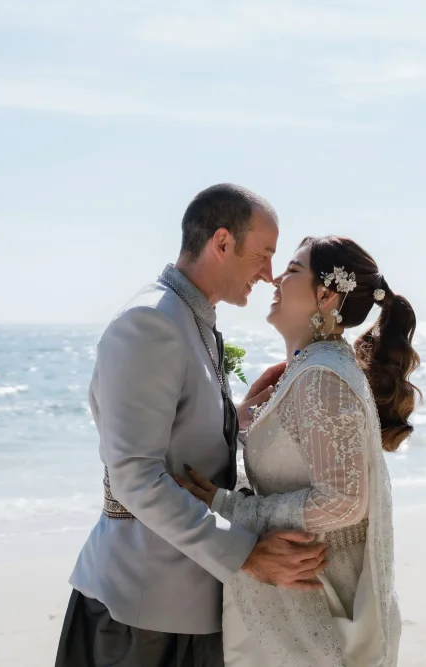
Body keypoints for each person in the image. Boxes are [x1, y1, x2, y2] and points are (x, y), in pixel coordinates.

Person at [56, 185, 330, 667]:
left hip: (189, 604)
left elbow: (179, 443)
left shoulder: (191, 318)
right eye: (264, 255)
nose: (269, 275)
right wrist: (246, 554)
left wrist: (237, 417)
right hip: (138, 612)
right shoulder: (149, 323)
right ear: (222, 243)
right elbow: (135, 475)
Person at [178, 236, 418, 666]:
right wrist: (240, 419)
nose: (273, 278)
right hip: (296, 590)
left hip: (315, 595)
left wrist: (230, 507)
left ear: (326, 294)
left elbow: (344, 500)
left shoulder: (322, 376)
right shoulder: (311, 369)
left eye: (291, 271)